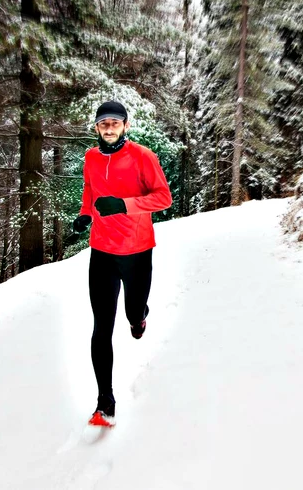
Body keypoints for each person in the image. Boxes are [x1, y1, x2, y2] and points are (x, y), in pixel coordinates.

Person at [70, 100, 172, 428]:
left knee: (132, 313)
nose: (109, 127)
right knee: (101, 327)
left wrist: (124, 205)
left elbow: (163, 197)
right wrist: (86, 214)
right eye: (103, 123)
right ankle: (105, 404)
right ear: (96, 128)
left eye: (115, 122)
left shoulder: (143, 157)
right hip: (101, 251)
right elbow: (89, 189)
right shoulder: (90, 157)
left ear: (125, 125)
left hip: (137, 250)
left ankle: (139, 318)